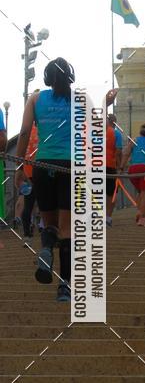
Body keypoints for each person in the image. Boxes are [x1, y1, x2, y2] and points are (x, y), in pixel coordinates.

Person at [14, 58, 75, 302]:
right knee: (68, 228)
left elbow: (25, 132)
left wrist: (20, 165)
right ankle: (65, 287)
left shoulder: (36, 99)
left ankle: (48, 248)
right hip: (71, 167)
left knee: (48, 221)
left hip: (42, 165)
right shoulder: (79, 100)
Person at [105, 113, 123, 227]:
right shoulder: (116, 133)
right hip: (110, 166)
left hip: (94, 166)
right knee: (111, 193)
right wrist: (119, 166)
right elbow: (118, 152)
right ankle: (107, 218)